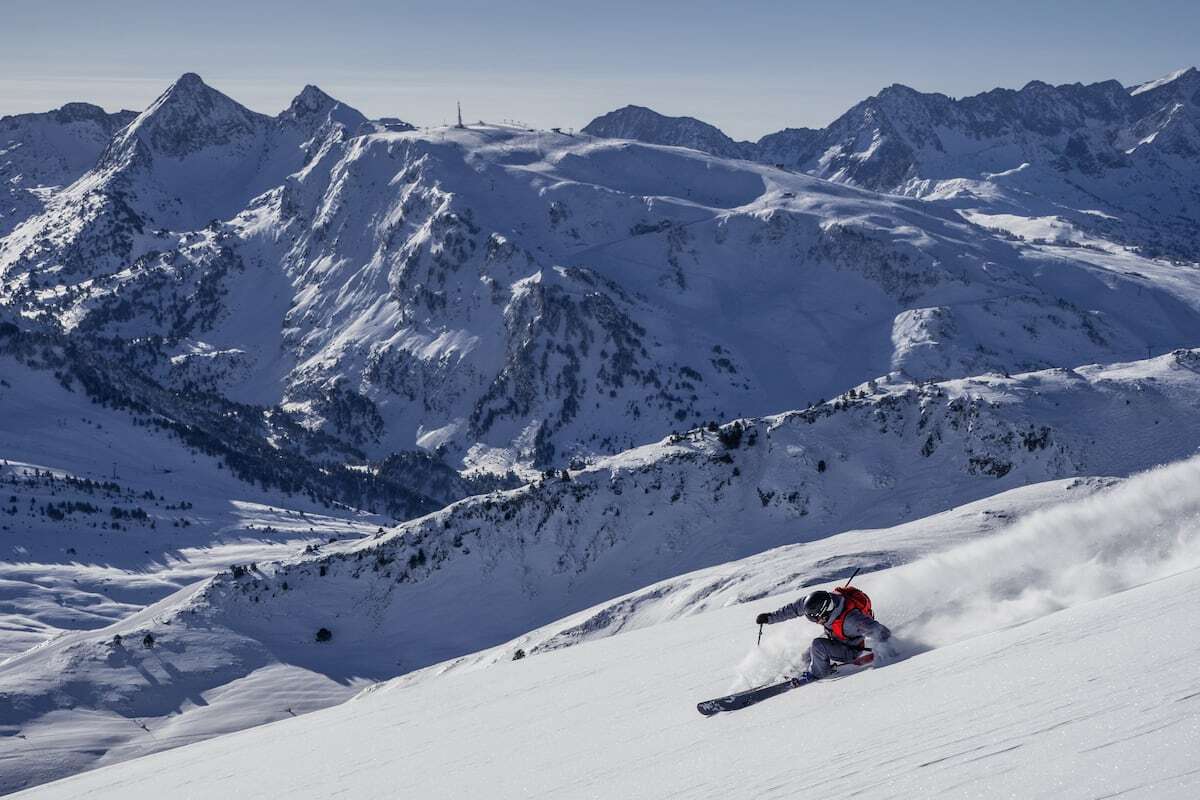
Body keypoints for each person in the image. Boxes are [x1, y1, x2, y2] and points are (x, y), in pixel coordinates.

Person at [755, 586, 891, 680]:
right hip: (835, 637)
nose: (815, 621)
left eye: (816, 618)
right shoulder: (815, 602)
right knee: (807, 655)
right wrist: (769, 617)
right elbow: (793, 609)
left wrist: (887, 651)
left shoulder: (851, 620)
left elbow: (880, 631)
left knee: (818, 645)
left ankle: (818, 674)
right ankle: (801, 670)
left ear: (825, 613)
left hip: (851, 649)